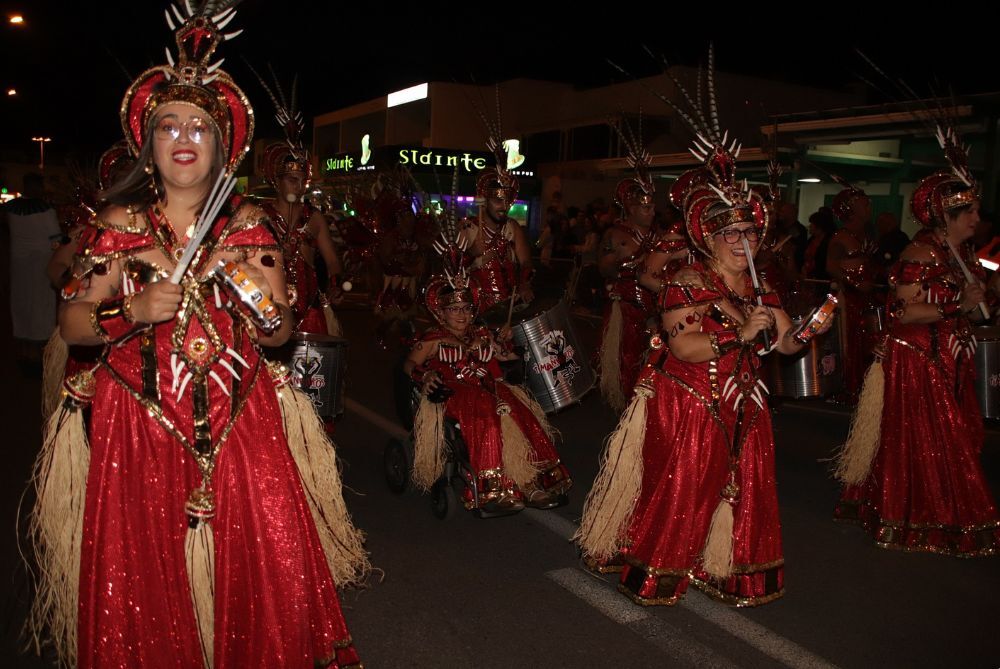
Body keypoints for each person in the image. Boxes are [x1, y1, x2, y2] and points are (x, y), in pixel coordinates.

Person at [27, 6, 366, 667]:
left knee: (258, 574)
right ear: (148, 143)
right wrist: (131, 310)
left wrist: (250, 293)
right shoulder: (120, 223)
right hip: (140, 427)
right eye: (168, 126)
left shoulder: (249, 225)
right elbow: (71, 322)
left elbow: (279, 334)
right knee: (148, 588)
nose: (183, 138)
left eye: (199, 127)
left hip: (242, 426)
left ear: (222, 144)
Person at [578, 133, 834, 607]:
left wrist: (810, 330)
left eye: (749, 232)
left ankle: (720, 568)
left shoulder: (760, 285)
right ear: (710, 238)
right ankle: (659, 569)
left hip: (745, 402)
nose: (743, 242)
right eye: (731, 234)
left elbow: (784, 343)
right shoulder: (688, 282)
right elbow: (684, 347)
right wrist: (739, 335)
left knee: (739, 489)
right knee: (683, 489)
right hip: (690, 402)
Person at [834, 131, 999, 556]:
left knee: (956, 437)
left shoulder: (961, 253)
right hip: (920, 359)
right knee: (932, 440)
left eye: (976, 209)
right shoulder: (921, 253)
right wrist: (958, 305)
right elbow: (903, 312)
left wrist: (980, 299)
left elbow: (973, 309)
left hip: (949, 355)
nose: (977, 217)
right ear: (947, 217)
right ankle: (926, 515)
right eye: (969, 211)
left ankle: (938, 510)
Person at [403, 228, 571, 514]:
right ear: (441, 312)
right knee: (489, 416)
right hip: (454, 393)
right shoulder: (432, 339)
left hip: (488, 388)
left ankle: (532, 482)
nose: (462, 314)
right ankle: (493, 489)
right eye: (454, 309)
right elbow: (408, 365)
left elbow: (505, 357)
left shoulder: (481, 333)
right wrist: (425, 375)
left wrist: (508, 344)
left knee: (521, 414)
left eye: (466, 308)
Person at [256, 73, 344, 336]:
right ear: (277, 181)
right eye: (292, 180)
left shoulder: (314, 218)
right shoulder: (261, 216)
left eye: (302, 180)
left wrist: (336, 282)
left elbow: (332, 261)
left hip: (309, 312)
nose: (299, 186)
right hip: (270, 307)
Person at [596, 148, 659, 412]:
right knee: (627, 357)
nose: (652, 212)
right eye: (646, 207)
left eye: (653, 207)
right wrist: (622, 260)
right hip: (627, 307)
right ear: (632, 209)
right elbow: (603, 268)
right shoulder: (615, 235)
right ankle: (627, 406)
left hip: (656, 306)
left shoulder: (660, 236)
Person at [460, 141, 534, 315]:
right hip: (476, 311)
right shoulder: (467, 227)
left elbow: (526, 262)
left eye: (506, 201)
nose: (504, 206)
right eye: (497, 201)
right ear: (485, 202)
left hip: (509, 309)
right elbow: (452, 269)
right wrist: (472, 253)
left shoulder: (512, 227)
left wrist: (524, 283)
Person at [1, 172, 61, 369]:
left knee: (21, 304)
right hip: (41, 263)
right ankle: (39, 353)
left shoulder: (11, 209)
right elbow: (56, 238)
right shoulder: (46, 210)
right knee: (40, 305)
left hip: (19, 264)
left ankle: (24, 351)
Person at [827, 184, 878, 403]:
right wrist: (855, 283)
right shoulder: (841, 236)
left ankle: (864, 387)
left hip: (866, 298)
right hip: (848, 298)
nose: (869, 207)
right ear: (851, 208)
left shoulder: (867, 234)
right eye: (864, 204)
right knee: (849, 341)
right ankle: (848, 386)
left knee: (866, 341)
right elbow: (830, 266)